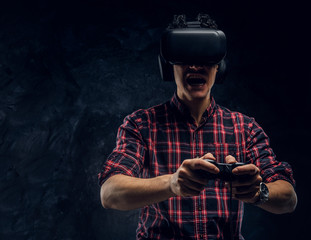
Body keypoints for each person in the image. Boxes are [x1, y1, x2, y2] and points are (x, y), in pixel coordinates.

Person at [98, 13, 297, 240]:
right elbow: (110, 192)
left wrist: (258, 193)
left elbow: (289, 198)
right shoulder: (141, 125)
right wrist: (172, 183)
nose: (195, 66)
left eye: (205, 57)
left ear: (219, 66)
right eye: (184, 57)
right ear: (167, 65)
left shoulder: (246, 128)